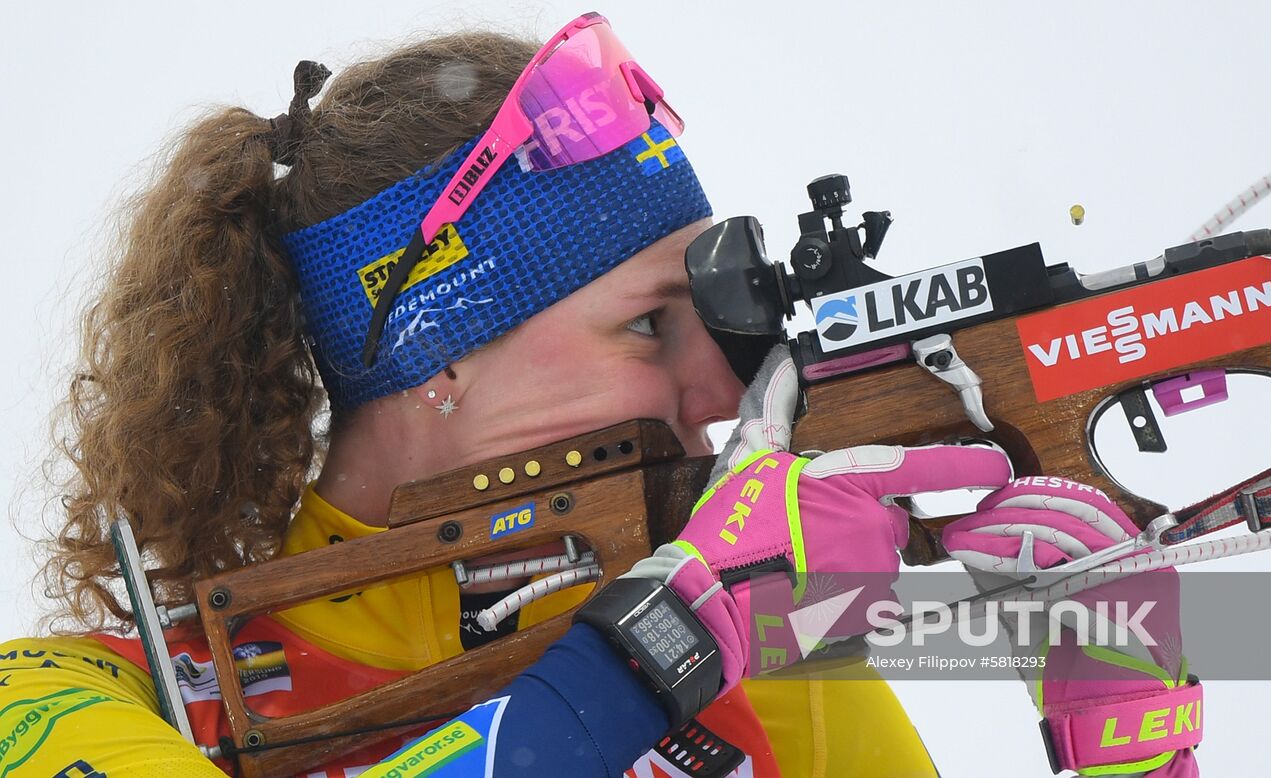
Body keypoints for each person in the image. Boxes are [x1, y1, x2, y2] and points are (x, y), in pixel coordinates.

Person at [0, 14, 1201, 777]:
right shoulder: (62, 700)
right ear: (436, 349)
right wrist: (664, 644)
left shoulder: (773, 675)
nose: (714, 396)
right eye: (647, 325)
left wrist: (1125, 728)